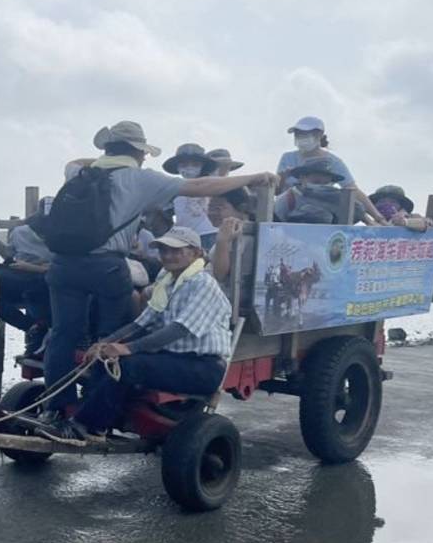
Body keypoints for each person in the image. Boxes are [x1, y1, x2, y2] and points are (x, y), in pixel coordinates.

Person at [41, 121, 277, 417]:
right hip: (106, 268)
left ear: (107, 149)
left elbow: (72, 161)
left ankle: (57, 406)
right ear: (139, 153)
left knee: (62, 334)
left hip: (63, 265)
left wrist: (102, 162)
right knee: (111, 335)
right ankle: (97, 408)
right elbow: (200, 187)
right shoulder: (141, 178)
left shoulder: (79, 172)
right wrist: (255, 176)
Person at [43, 227, 232, 442]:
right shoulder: (168, 281)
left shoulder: (202, 283)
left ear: (196, 253)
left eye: (176, 250)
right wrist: (103, 344)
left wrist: (127, 348)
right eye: (164, 250)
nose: (168, 256)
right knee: (104, 359)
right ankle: (95, 418)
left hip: (203, 367)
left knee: (126, 365)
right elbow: (140, 323)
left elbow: (179, 329)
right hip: (173, 358)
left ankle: (87, 426)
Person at [277, 116, 388, 224]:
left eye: (305, 133)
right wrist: (282, 179)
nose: (301, 137)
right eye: (298, 134)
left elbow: (352, 190)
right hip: (287, 214)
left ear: (319, 135)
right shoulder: (287, 158)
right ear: (302, 177)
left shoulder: (333, 162)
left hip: (323, 216)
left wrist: (377, 218)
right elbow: (277, 191)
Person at [0, 198, 54, 357]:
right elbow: (8, 254)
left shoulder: (64, 235)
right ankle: (32, 327)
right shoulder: (20, 232)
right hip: (21, 276)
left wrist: (32, 267)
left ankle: (42, 335)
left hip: (45, 279)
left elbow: (64, 266)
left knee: (39, 289)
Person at [163, 143, 220, 251]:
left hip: (210, 234)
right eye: (184, 165)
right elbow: (164, 212)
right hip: (184, 238)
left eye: (195, 164)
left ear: (202, 166)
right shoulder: (174, 189)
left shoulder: (210, 185)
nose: (189, 168)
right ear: (178, 167)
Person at [274, 158, 360, 224]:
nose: (322, 185)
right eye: (316, 182)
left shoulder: (337, 199)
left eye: (326, 183)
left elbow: (358, 212)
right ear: (302, 178)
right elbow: (273, 223)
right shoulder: (289, 198)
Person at [209, 188, 256, 288]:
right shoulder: (232, 230)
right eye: (210, 207)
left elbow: (220, 275)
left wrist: (222, 241)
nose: (211, 213)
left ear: (241, 208)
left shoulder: (240, 235)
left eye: (218, 208)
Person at [369, 185, 433, 232]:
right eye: (381, 201)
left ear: (401, 205)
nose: (385, 204)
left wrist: (405, 222)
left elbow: (428, 224)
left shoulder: (410, 217)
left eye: (392, 202)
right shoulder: (371, 222)